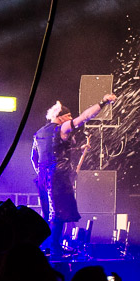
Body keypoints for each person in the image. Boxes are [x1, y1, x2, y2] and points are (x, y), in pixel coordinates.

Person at [31, 93, 116, 257]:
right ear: (60, 117)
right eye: (68, 116)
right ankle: (55, 249)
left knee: (50, 213)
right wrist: (103, 102)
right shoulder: (61, 128)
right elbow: (84, 118)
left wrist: (44, 173)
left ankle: (51, 246)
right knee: (58, 214)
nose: (71, 118)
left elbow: (35, 157)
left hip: (43, 177)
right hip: (57, 177)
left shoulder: (39, 133)